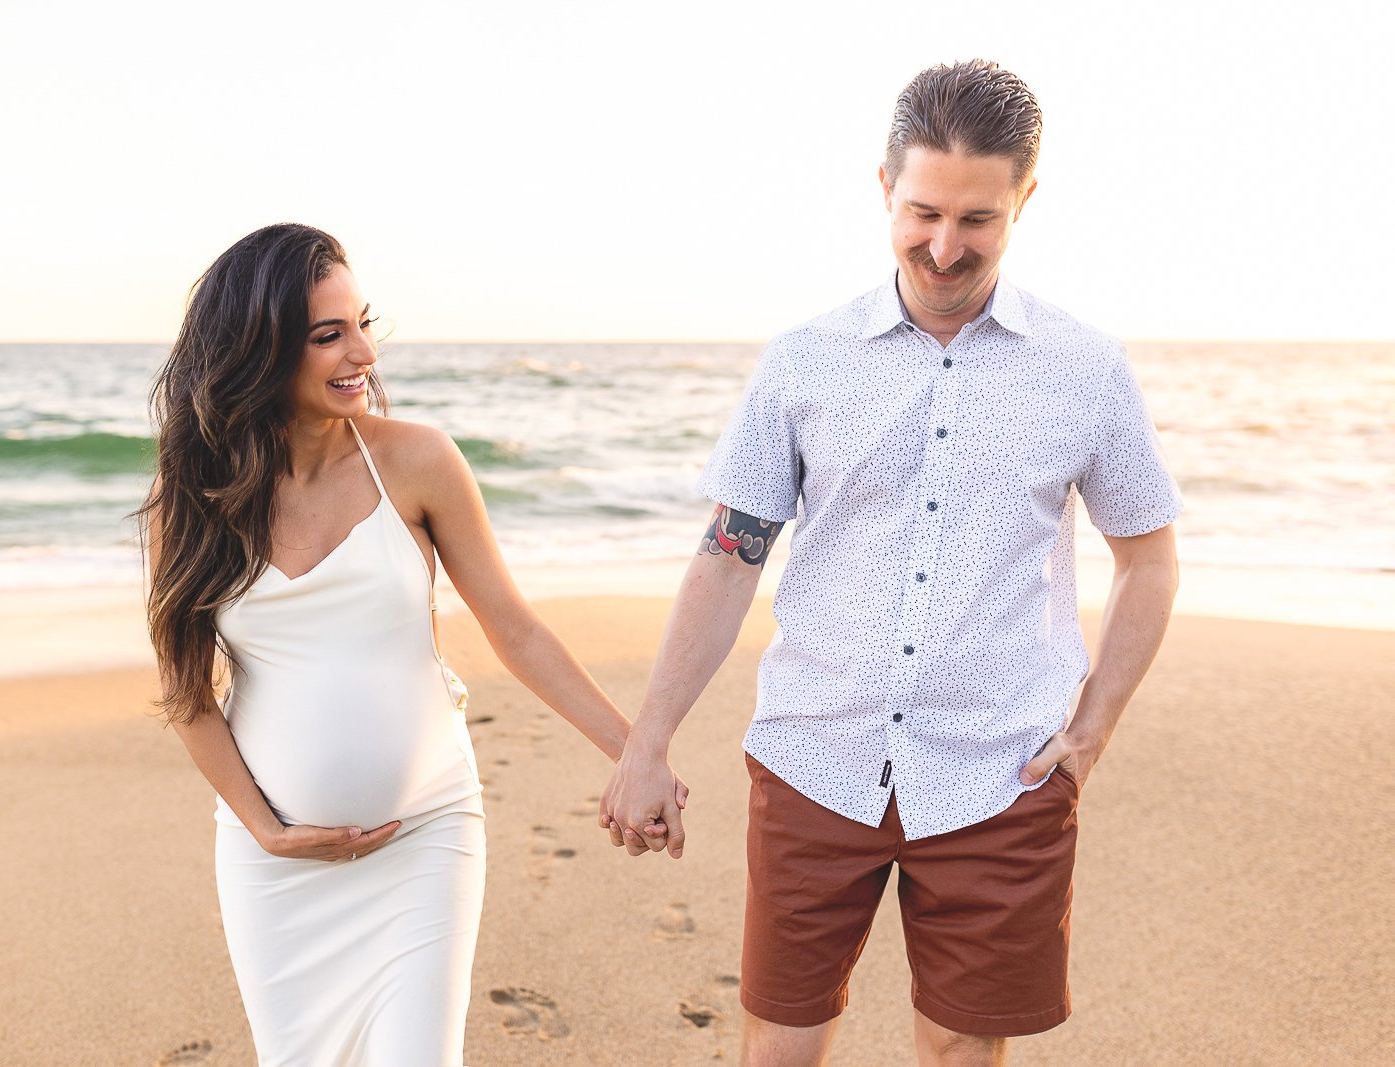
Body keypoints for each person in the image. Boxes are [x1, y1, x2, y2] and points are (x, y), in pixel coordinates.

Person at [601, 60, 1181, 1066]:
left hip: (1001, 774)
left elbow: (1148, 557)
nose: (943, 247)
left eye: (978, 220)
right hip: (814, 756)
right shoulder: (803, 360)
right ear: (882, 186)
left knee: (962, 1044)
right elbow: (728, 556)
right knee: (781, 1038)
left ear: (1023, 202)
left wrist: (1091, 727)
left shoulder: (1085, 370)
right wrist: (647, 739)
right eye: (921, 212)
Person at [139, 223, 681, 1066]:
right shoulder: (194, 495)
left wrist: (636, 751)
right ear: (261, 351)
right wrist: (266, 829)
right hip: (272, 863)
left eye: (363, 322)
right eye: (329, 335)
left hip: (424, 833)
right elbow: (187, 694)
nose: (363, 351)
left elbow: (516, 628)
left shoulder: (420, 461)